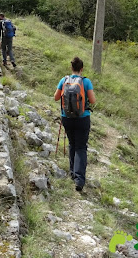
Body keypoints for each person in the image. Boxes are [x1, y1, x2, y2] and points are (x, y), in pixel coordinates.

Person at [54, 56, 96, 192]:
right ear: (82, 69)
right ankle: (79, 180)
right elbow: (93, 100)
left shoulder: (64, 80)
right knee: (81, 147)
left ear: (71, 68)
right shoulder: (86, 82)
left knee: (73, 144)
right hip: (82, 118)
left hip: (67, 118)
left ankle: (73, 173)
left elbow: (55, 97)